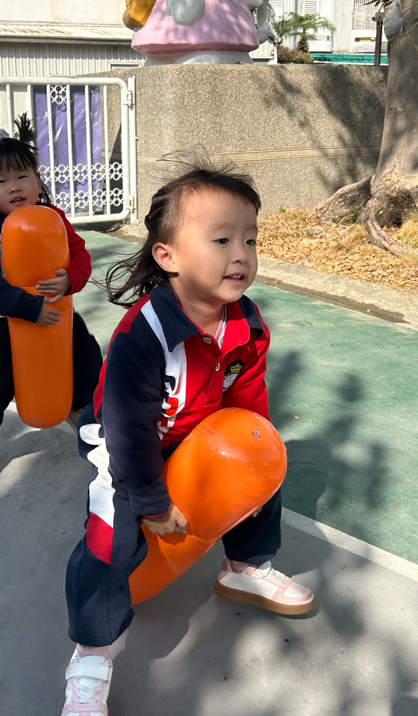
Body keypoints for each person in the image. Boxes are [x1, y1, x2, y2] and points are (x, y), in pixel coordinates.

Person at [60, 159, 315, 715]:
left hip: (194, 429)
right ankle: (91, 654)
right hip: (125, 443)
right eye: (221, 240)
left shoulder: (245, 323)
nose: (241, 254)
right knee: (109, 539)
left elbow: (248, 403)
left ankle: (244, 566)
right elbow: (127, 430)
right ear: (167, 256)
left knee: (265, 468)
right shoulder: (144, 335)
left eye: (250, 239)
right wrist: (152, 504)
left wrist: (251, 477)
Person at [0, 115, 103, 479]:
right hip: (4, 317)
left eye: (22, 177)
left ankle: (79, 407)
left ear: (37, 181)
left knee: (87, 359)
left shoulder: (53, 218)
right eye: (1, 181)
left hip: (57, 310)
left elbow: (79, 254)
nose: (14, 187)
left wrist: (70, 280)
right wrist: (28, 307)